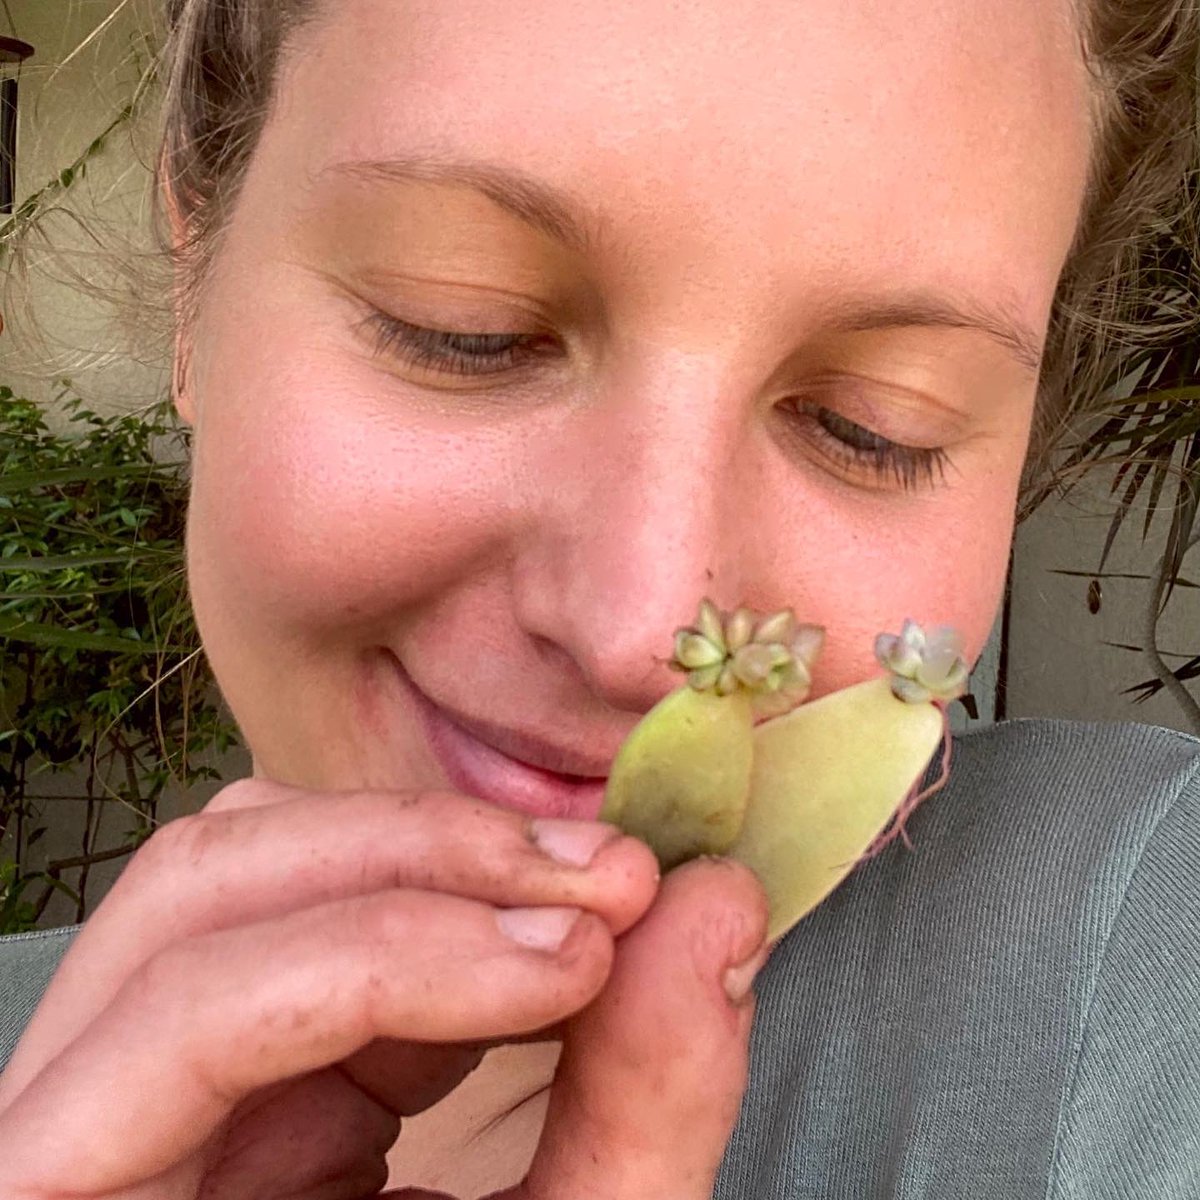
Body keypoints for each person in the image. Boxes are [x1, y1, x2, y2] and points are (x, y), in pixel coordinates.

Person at [1, 0, 1198, 1195]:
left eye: (874, 425)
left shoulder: (1146, 966)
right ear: (194, 269)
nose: (643, 630)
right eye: (465, 326)